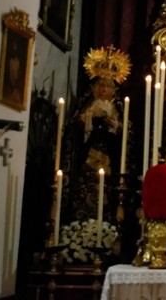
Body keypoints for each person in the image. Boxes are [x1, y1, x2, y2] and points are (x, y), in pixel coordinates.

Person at [64, 46, 131, 223]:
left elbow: (127, 136)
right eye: (101, 85)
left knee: (106, 194)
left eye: (108, 86)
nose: (104, 90)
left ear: (114, 91)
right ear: (94, 88)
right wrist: (87, 120)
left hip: (109, 160)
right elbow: (74, 131)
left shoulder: (118, 111)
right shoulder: (87, 107)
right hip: (88, 158)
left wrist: (116, 126)